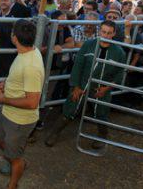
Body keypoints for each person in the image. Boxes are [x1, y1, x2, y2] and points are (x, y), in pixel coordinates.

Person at [45, 20, 127, 149]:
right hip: (83, 84)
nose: (106, 35)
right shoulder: (88, 45)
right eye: (104, 32)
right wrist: (75, 86)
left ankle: (102, 137)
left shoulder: (119, 52)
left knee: (101, 112)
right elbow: (78, 65)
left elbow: (120, 73)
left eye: (109, 33)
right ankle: (55, 133)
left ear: (114, 33)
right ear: (99, 31)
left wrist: (107, 88)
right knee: (70, 107)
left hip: (102, 86)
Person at [0, 19, 44, 189]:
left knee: (15, 157)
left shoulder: (31, 66)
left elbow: (32, 102)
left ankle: (13, 183)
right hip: (8, 112)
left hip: (20, 120)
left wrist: (2, 98)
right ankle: (15, 156)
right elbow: (18, 78)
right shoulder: (26, 52)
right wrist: (5, 83)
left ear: (14, 38)